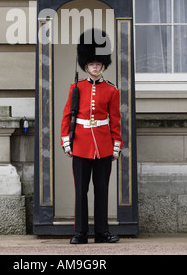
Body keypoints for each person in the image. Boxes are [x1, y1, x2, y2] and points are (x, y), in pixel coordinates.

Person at [61, 29, 122, 244]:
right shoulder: (75, 87)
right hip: (81, 144)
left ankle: (102, 232)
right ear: (85, 65)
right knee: (81, 191)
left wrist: (116, 145)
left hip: (103, 146)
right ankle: (80, 232)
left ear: (104, 65)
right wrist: (67, 142)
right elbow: (68, 116)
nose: (95, 67)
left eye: (98, 63)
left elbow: (115, 120)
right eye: (91, 64)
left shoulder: (112, 91)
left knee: (102, 191)